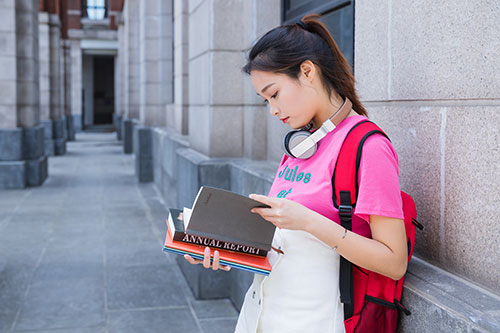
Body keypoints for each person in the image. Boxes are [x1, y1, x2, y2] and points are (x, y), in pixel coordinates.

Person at [184, 14, 408, 333]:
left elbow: (394, 261)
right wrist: (225, 248)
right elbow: (284, 242)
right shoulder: (301, 143)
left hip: (317, 320)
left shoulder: (367, 146)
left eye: (274, 94)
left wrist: (308, 220)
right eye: (265, 100)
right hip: (261, 314)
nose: (272, 110)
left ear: (307, 71)